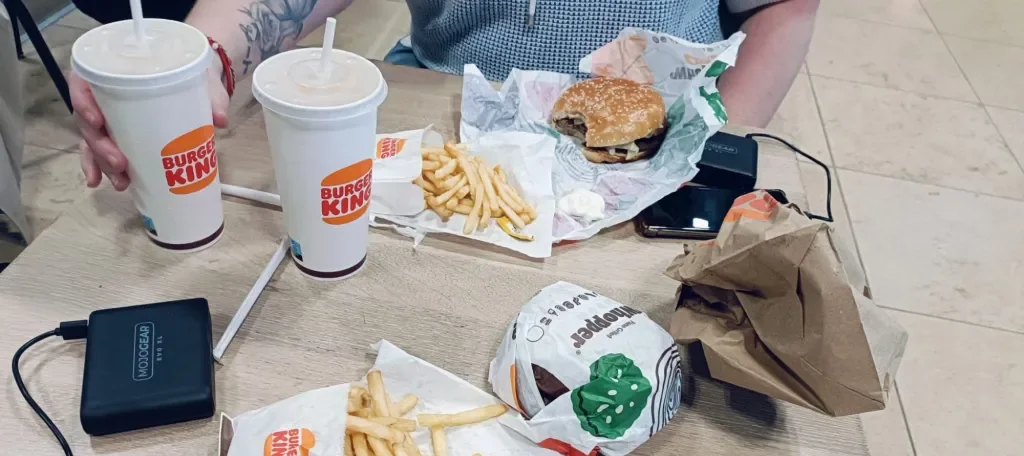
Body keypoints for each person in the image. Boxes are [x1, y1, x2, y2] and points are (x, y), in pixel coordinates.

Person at [72, 0, 818, 191]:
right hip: (442, 102)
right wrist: (203, 55)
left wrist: (716, 144)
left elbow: (783, 8)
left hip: (653, 139)